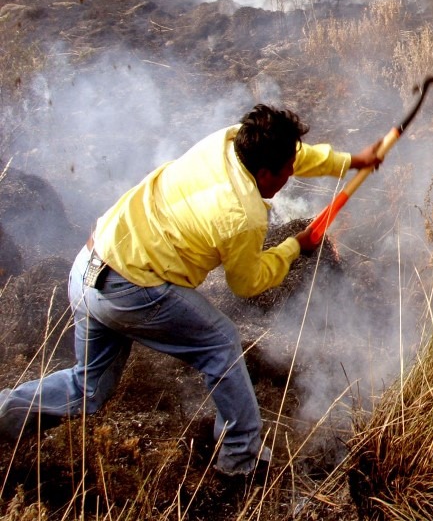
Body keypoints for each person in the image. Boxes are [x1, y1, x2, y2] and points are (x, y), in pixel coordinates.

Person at [0, 104, 382, 480]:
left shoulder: (231, 141)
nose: (288, 178)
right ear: (265, 173)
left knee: (88, 387)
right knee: (221, 344)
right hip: (130, 289)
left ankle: (3, 413)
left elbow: (293, 155)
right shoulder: (244, 216)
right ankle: (240, 459)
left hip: (87, 266)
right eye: (284, 173)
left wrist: (350, 160)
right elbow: (246, 284)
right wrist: (294, 247)